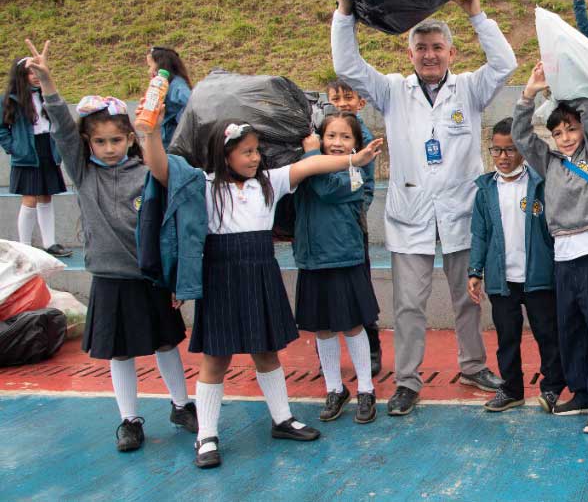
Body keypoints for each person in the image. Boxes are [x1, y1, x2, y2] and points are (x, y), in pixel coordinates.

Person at [142, 109, 382, 469]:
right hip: (220, 277)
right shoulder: (203, 185)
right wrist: (150, 133)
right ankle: (206, 435)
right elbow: (161, 170)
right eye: (247, 152)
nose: (255, 158)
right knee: (215, 359)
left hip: (260, 273)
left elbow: (309, 168)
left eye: (257, 150)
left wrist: (354, 159)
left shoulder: (269, 181)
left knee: (267, 352)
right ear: (225, 156)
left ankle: (282, 418)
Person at [331, 0, 511, 418]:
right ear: (408, 54)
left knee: (468, 297)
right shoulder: (393, 90)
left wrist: (476, 13)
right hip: (410, 214)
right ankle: (408, 381)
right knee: (407, 304)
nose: (429, 55)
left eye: (437, 47)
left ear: (452, 53)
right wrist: (344, 10)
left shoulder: (469, 88)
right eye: (421, 48)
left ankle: (472, 366)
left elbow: (505, 63)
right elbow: (348, 66)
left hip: (460, 212)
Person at [25, 40, 196, 452]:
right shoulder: (82, 173)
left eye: (116, 141)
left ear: (128, 140)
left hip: (150, 275)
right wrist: (48, 85)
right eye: (100, 142)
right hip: (110, 277)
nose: (109, 148)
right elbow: (64, 130)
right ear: (88, 144)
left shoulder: (147, 170)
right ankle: (129, 419)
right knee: (120, 353)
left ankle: (181, 403)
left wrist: (172, 274)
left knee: (166, 341)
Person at [513, 63, 588, 434]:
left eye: (571, 129)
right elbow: (521, 136)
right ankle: (583, 391)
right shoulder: (550, 162)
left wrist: (567, 83)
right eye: (558, 132)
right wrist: (529, 94)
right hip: (563, 256)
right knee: (571, 329)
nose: (565, 137)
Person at [467, 118, 566, 414]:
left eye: (509, 150)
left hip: (537, 277)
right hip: (502, 280)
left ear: (522, 149)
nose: (502, 157)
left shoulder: (538, 182)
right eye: (496, 151)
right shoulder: (486, 189)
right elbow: (479, 234)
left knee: (547, 335)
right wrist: (475, 271)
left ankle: (551, 388)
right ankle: (512, 390)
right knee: (506, 338)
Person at [292, 112, 381, 425]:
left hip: (345, 256)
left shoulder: (357, 168)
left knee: (353, 324)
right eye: (331, 136)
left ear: (357, 143)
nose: (338, 143)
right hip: (313, 257)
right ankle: (334, 388)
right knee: (322, 327)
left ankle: (366, 389)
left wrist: (312, 153)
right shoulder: (307, 162)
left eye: (346, 137)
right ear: (320, 136)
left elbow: (328, 188)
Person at [324, 79, 382, 375]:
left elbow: (365, 185)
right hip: (324, 226)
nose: (343, 102)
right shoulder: (322, 133)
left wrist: (355, 210)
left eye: (349, 97)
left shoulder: (364, 136)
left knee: (360, 288)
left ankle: (372, 349)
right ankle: (332, 359)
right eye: (337, 97)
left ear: (362, 102)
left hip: (350, 221)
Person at [0, 56, 70, 257]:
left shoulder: (46, 94)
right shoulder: (9, 99)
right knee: (30, 197)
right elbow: (2, 129)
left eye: (38, 71)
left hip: (47, 146)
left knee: (46, 196)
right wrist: (14, 148)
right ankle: (24, 247)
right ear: (22, 75)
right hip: (27, 151)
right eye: (31, 72)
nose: (36, 76)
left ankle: (50, 243)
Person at [147, 46, 192, 146]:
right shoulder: (163, 84)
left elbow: (191, 105)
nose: (149, 71)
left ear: (161, 65)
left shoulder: (177, 86)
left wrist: (180, 123)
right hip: (166, 139)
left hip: (176, 142)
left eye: (150, 66)